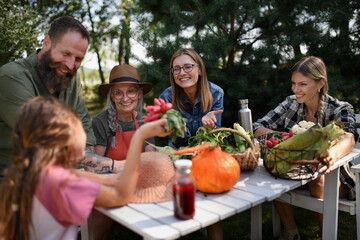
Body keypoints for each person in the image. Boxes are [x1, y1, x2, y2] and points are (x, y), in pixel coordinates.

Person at [0, 96, 172, 240]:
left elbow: (100, 178)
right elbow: (121, 195)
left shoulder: (33, 169)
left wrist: (115, 176)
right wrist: (140, 135)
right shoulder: (63, 182)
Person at [253, 56, 359, 239]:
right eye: (293, 84)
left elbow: (349, 137)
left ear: (320, 83)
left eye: (302, 84)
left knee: (318, 177)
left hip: (333, 174)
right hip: (295, 170)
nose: (296, 90)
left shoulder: (340, 108)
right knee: (271, 169)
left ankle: (325, 234)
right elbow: (258, 127)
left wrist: (330, 154)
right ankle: (291, 232)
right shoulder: (291, 103)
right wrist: (289, 139)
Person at [0, 16, 116, 180]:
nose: (70, 65)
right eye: (66, 53)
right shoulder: (12, 77)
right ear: (47, 43)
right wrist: (113, 165)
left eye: (78, 59)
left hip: (57, 177)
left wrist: (91, 165)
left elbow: (83, 123)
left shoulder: (70, 78)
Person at [159, 48, 224, 148]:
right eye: (176, 69)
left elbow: (216, 139)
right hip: (178, 155)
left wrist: (209, 128)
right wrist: (182, 131)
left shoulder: (216, 93)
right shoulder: (166, 98)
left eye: (188, 67)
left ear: (200, 70)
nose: (182, 73)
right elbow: (177, 144)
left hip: (207, 152)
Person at [92, 64, 156, 160]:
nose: (125, 99)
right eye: (118, 93)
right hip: (108, 174)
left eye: (131, 91)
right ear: (112, 96)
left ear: (139, 93)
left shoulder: (145, 121)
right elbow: (96, 162)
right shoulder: (100, 122)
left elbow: (150, 158)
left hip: (140, 173)